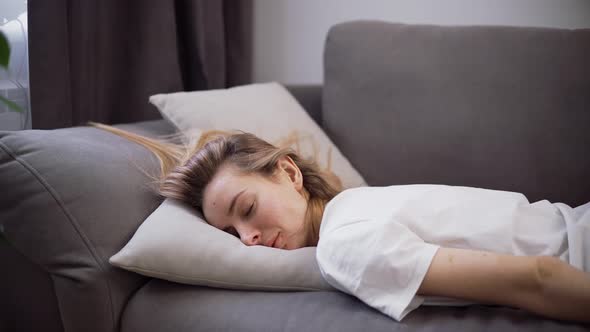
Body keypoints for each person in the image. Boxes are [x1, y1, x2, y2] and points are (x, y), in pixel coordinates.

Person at [89, 122, 590, 324]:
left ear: (288, 173)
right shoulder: (359, 207)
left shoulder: (345, 243)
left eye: (246, 211)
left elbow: (539, 276)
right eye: (231, 235)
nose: (249, 241)